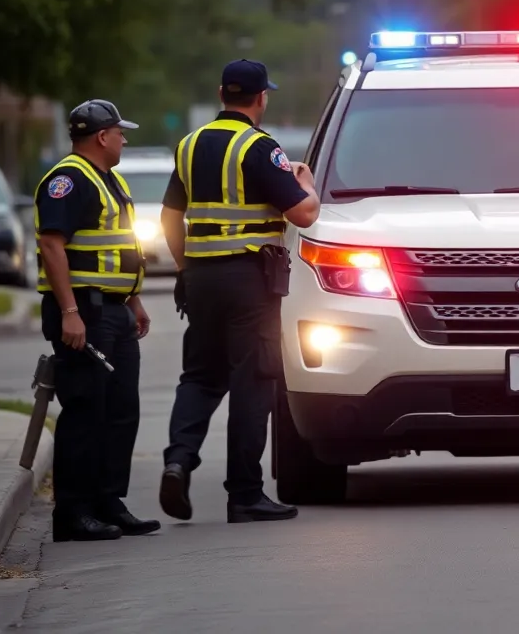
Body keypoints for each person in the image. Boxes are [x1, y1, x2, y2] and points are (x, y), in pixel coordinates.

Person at [158, 59, 320, 524]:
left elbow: (170, 217)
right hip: (249, 281)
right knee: (253, 381)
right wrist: (306, 184)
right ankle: (245, 494)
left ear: (221, 94)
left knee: (200, 376)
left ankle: (178, 460)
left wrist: (186, 268)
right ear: (261, 98)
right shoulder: (258, 147)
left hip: (201, 278)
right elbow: (304, 214)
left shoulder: (189, 145)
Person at [34, 100, 159, 542]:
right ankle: (73, 511)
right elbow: (52, 246)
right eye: (120, 133)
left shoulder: (110, 180)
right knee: (86, 408)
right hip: (84, 311)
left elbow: (118, 246)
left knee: (121, 410)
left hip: (115, 309)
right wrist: (70, 312)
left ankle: (108, 502)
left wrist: (134, 301)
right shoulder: (68, 180)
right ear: (102, 137)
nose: (124, 139)